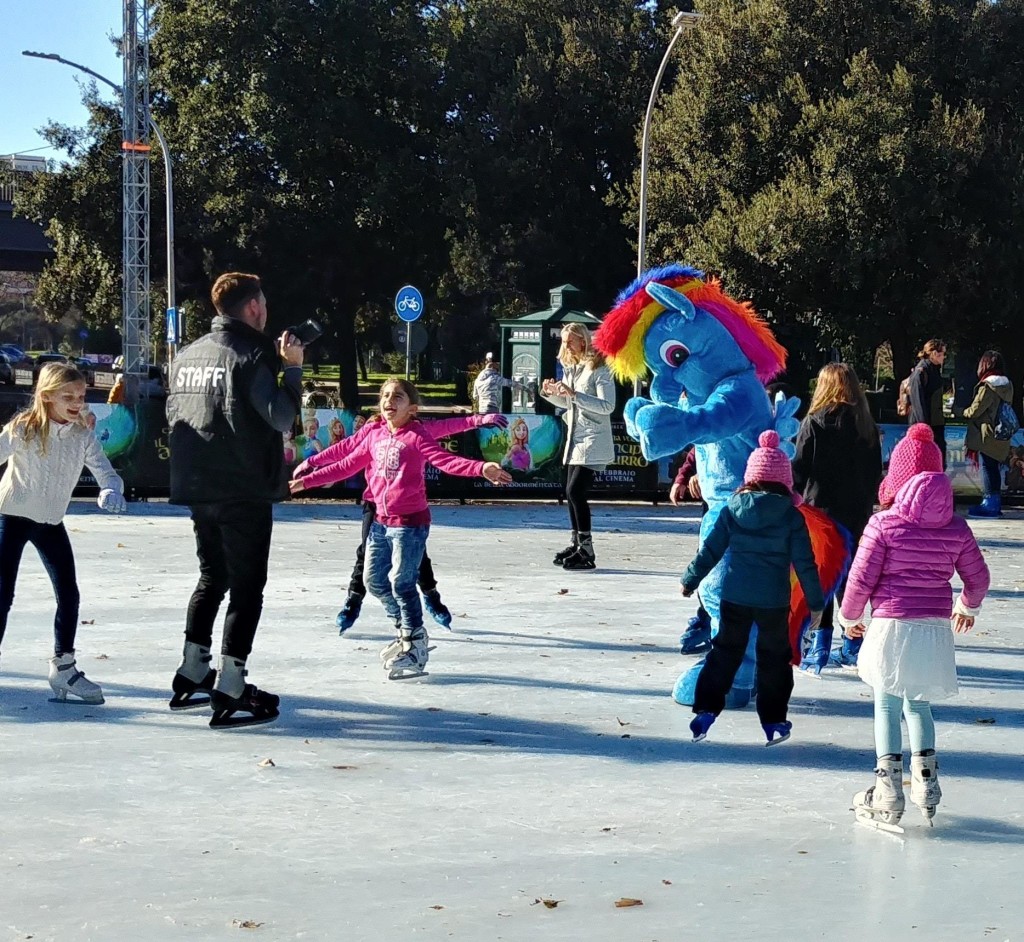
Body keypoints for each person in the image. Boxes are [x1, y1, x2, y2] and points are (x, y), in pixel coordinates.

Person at [290, 380, 511, 678]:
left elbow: (445, 461)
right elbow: (346, 463)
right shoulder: (374, 434)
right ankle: (405, 631)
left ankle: (415, 644)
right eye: (384, 395)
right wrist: (304, 481)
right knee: (374, 582)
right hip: (380, 521)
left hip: (410, 524)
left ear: (412, 408)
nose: (388, 400)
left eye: (397, 396)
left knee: (402, 584)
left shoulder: (417, 436)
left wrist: (481, 468)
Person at [165, 272, 303, 729]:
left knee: (212, 576)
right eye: (262, 302)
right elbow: (280, 415)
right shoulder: (252, 353)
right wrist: (294, 368)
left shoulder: (186, 355)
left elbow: (173, 413)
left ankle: (192, 668)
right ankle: (231, 681)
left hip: (196, 483)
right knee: (246, 586)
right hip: (241, 485)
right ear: (253, 308)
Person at [838, 426, 990, 830]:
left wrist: (849, 617)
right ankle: (927, 783)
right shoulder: (957, 527)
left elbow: (860, 580)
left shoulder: (883, 525)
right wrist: (967, 607)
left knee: (887, 703)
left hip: (891, 625)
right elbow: (979, 579)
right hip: (933, 630)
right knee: (918, 703)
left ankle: (888, 787)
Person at [682, 431, 824, 746]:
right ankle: (773, 722)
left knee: (724, 652)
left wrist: (691, 579)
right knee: (774, 660)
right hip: (773, 601)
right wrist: (816, 604)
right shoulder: (791, 516)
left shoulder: (732, 509)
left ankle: (705, 711)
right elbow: (805, 564)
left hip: (734, 596)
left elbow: (710, 550)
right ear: (785, 479)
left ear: (750, 477)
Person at [0, 363, 126, 703]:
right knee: (1, 596)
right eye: (67, 396)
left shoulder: (81, 436)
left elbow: (106, 472)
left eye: (81, 397)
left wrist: (111, 490)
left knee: (68, 595)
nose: (77, 403)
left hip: (51, 523)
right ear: (46, 397)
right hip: (9, 518)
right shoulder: (22, 429)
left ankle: (64, 668)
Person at [332, 410, 509, 633]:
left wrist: (478, 420)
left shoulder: (415, 430)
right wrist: (309, 468)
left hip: (406, 506)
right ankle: (354, 600)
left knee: (418, 556)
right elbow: (342, 454)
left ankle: (431, 596)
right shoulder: (373, 431)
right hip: (374, 504)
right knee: (365, 553)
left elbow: (448, 427)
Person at [791, 363, 882, 670]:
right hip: (856, 512)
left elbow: (799, 469)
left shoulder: (814, 422)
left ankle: (819, 645)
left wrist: (794, 500)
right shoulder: (866, 425)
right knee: (851, 577)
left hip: (820, 512)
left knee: (821, 578)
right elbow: (874, 474)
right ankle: (853, 641)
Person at [541, 323, 615, 570]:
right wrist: (550, 393)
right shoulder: (571, 368)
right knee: (570, 491)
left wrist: (574, 395)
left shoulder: (599, 368)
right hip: (576, 436)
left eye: (569, 341)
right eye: (563, 341)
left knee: (576, 491)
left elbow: (607, 406)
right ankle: (576, 543)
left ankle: (587, 548)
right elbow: (566, 403)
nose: (566, 346)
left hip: (593, 437)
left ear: (583, 341)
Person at [670, 447, 713, 654]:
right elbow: (699, 448)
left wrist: (705, 473)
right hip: (714, 502)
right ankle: (707, 615)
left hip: (745, 496)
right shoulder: (713, 419)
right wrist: (682, 478)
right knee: (709, 550)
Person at [962, 350, 1014, 518]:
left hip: (987, 434)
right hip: (1002, 432)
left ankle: (989, 505)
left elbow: (976, 410)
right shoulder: (1008, 385)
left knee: (987, 468)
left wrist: (962, 412)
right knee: (994, 469)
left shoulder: (988, 386)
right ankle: (995, 503)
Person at [907, 339, 947, 467]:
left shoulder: (933, 370)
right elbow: (918, 401)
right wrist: (924, 427)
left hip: (935, 424)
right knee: (924, 462)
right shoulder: (921, 371)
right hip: (926, 427)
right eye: (943, 354)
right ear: (934, 353)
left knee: (937, 461)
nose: (944, 357)